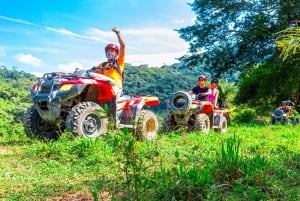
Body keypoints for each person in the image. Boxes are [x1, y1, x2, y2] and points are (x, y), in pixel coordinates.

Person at [90, 26, 125, 120]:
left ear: (116, 53)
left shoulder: (119, 62)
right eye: (108, 51)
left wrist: (118, 32)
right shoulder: (102, 64)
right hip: (104, 88)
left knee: (112, 95)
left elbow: (123, 46)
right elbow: (94, 73)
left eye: (112, 51)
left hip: (115, 87)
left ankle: (113, 123)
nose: (110, 52)